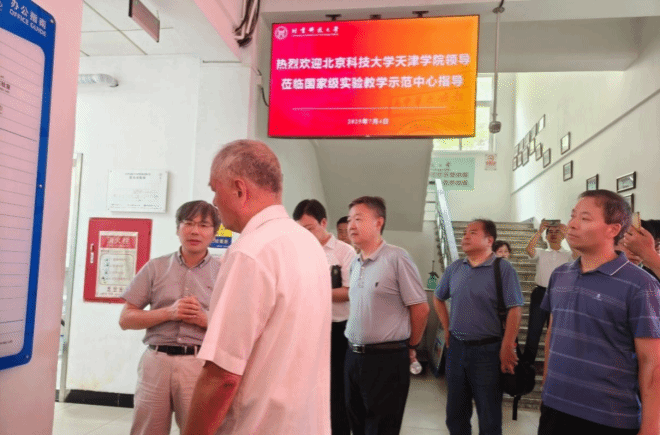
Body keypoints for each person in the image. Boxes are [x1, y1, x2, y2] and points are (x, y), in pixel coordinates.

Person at [183, 140, 332, 435]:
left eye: (215, 190)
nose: (214, 201)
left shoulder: (250, 252)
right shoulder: (307, 243)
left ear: (240, 190)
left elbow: (223, 376)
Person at [540, 190, 660, 435]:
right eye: (573, 216)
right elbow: (553, 334)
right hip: (555, 408)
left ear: (613, 229)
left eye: (584, 218)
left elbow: (652, 362)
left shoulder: (641, 284)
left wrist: (651, 427)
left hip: (609, 417)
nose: (572, 224)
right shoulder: (560, 275)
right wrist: (547, 389)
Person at [119, 200, 221, 435]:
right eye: (188, 223)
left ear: (214, 233)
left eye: (203, 225)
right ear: (177, 229)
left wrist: (203, 319)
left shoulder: (224, 272)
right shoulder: (155, 267)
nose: (195, 231)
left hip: (199, 364)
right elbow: (125, 319)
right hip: (156, 361)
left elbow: (235, 328)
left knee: (198, 431)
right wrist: (169, 313)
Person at [343, 196, 429, 435]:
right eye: (349, 220)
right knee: (356, 425)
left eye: (358, 219)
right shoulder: (355, 263)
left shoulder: (397, 258)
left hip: (386, 359)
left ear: (378, 222)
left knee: (382, 428)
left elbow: (421, 308)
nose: (351, 226)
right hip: (353, 357)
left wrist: (412, 346)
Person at [435, 219, 524, 435]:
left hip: (488, 352)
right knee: (455, 414)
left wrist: (507, 346)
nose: (465, 236)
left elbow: (515, 309)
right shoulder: (455, 268)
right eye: (465, 232)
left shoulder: (503, 269)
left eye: (473, 232)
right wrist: (447, 328)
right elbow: (438, 298)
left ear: (489, 240)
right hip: (457, 349)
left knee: (489, 415)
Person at [294, 199, 356, 435]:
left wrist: (315, 290)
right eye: (300, 229)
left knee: (336, 389)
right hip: (306, 328)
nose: (305, 234)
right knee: (307, 387)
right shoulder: (298, 251)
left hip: (337, 330)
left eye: (309, 228)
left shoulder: (344, 252)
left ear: (323, 223)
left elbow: (349, 292)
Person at [522, 219, 573, 363]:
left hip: (561, 295)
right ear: (546, 236)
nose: (554, 234)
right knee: (534, 330)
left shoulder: (569, 254)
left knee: (558, 332)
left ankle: (557, 364)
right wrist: (539, 231)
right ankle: (527, 367)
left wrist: (567, 234)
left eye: (557, 232)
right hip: (540, 294)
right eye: (550, 232)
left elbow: (579, 256)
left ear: (562, 236)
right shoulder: (541, 252)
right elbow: (529, 250)